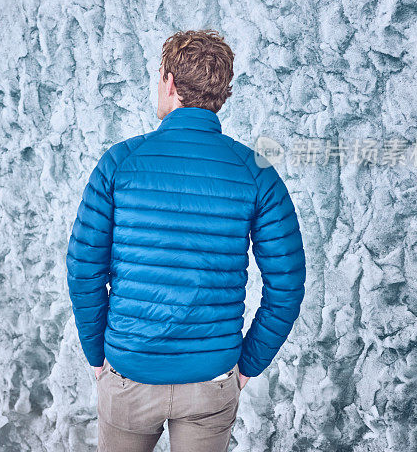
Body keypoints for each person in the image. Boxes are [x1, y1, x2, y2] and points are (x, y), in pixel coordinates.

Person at [66, 29, 306, 452]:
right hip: (211, 384)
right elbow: (286, 286)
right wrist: (248, 364)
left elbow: (84, 269)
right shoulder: (258, 172)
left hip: (129, 377)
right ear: (220, 94)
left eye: (160, 77)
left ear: (171, 83)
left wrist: (96, 353)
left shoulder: (119, 163)